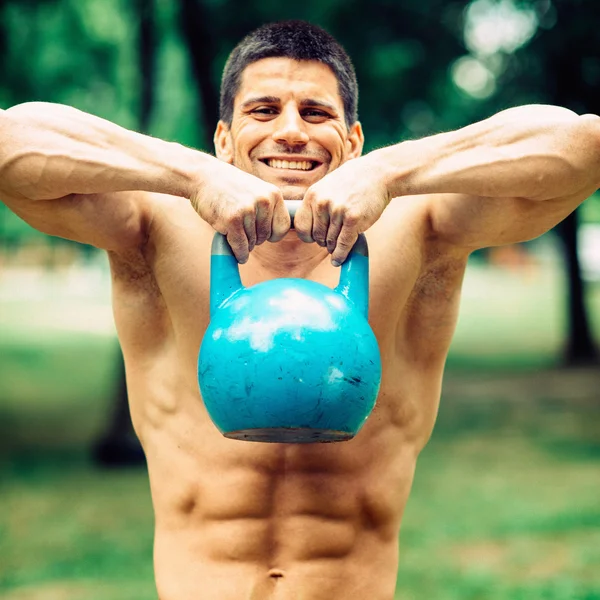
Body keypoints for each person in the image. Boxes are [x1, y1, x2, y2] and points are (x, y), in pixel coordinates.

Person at [0, 19, 598, 600]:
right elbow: (11, 144)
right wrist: (194, 176)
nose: (291, 132)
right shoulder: (151, 228)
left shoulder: (421, 230)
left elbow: (580, 147)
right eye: (262, 111)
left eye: (316, 113)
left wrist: (390, 172)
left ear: (354, 140)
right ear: (223, 138)